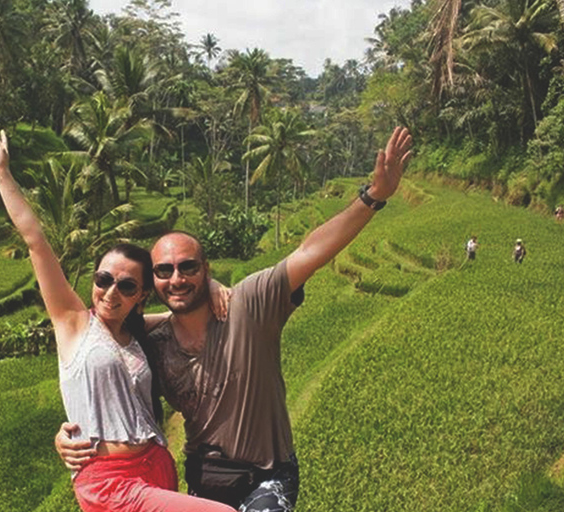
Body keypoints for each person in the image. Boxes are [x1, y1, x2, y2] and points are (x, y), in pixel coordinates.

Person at [56, 126, 413, 511]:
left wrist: (373, 196)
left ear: (206, 269)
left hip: (268, 474)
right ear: (150, 286)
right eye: (164, 271)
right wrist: (68, 436)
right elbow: (104, 380)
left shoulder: (250, 305)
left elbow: (311, 251)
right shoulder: (152, 346)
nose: (177, 279)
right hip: (202, 476)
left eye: (188, 267)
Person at [0, 131, 235, 512]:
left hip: (155, 466)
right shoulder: (73, 325)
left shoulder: (139, 334)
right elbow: (36, 241)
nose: (110, 292)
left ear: (140, 296)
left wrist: (212, 283)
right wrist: (3, 174)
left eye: (126, 285)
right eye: (103, 280)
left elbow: (180, 308)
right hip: (110, 481)